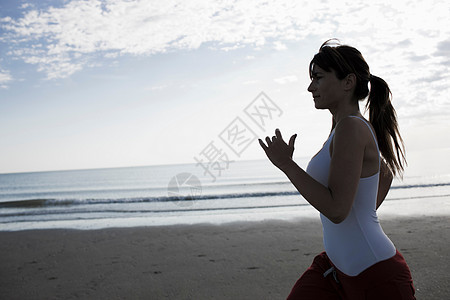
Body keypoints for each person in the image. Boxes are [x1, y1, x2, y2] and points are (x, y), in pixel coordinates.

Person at [259, 40, 416, 299]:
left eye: (318, 78)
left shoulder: (351, 128)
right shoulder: (341, 129)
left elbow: (336, 210)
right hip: (335, 269)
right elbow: (384, 173)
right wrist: (361, 214)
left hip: (376, 277)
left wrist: (287, 165)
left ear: (348, 82)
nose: (311, 86)